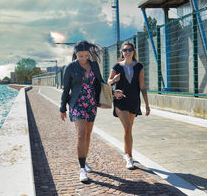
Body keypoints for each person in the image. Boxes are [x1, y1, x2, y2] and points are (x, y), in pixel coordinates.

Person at [60, 40, 105, 182]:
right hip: (77, 103)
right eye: (80, 56)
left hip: (91, 103)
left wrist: (113, 91)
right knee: (81, 134)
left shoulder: (94, 65)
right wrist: (62, 108)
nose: (83, 58)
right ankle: (82, 169)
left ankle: (84, 160)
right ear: (75, 54)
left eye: (86, 55)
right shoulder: (70, 68)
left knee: (87, 134)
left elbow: (100, 82)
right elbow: (66, 89)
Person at [108, 41, 150, 169]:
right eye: (125, 50)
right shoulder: (117, 67)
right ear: (122, 51)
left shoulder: (139, 67)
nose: (127, 52)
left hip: (134, 101)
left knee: (128, 128)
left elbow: (142, 86)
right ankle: (130, 158)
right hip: (120, 101)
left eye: (130, 50)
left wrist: (147, 105)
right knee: (127, 127)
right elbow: (108, 82)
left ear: (133, 51)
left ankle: (126, 152)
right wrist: (115, 80)